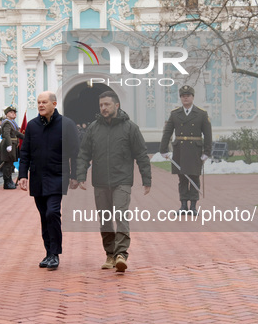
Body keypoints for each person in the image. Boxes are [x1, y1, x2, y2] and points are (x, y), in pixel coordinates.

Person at [77, 90, 152, 273]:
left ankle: (121, 255)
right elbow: (84, 153)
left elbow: (141, 154)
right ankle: (110, 254)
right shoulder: (93, 128)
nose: (103, 108)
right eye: (101, 105)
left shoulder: (130, 128)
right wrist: (80, 175)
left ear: (116, 105)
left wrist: (146, 178)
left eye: (107, 104)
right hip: (100, 181)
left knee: (120, 216)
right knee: (105, 220)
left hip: (122, 180)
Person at [18, 91, 80, 271]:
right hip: (37, 177)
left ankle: (55, 253)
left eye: (44, 102)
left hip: (58, 175)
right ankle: (48, 253)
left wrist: (76, 175)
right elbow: (25, 153)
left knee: (52, 213)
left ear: (54, 103)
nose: (40, 105)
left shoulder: (67, 125)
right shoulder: (32, 126)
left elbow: (76, 153)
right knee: (44, 216)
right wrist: (23, 175)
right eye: (38, 102)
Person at [159, 85, 212, 216]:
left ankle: (193, 206)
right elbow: (168, 132)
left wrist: (207, 152)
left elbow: (208, 134)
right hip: (180, 150)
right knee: (182, 178)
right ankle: (183, 205)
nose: (185, 98)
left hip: (195, 150)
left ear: (193, 97)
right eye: (183, 96)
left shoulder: (201, 114)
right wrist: (163, 149)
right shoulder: (175, 114)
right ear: (181, 98)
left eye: (188, 95)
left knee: (194, 177)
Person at [0, 106, 24, 189]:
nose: (14, 114)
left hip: (12, 144)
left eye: (14, 112)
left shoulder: (11, 122)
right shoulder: (7, 122)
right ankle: (6, 182)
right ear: (7, 114)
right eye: (11, 112)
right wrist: (9, 145)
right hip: (8, 145)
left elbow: (16, 133)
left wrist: (26, 137)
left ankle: (9, 180)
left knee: (10, 164)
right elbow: (6, 134)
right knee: (7, 164)